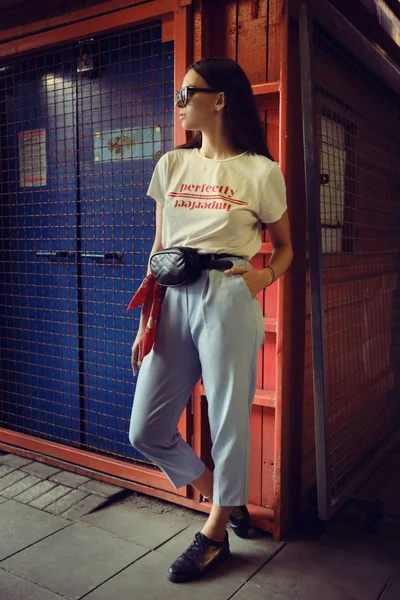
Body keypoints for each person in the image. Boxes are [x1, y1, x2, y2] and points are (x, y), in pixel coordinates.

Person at [129, 57, 293, 584]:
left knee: (226, 418)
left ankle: (215, 533)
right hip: (172, 296)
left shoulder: (261, 171)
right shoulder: (171, 166)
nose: (180, 103)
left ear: (219, 99)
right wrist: (144, 321)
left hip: (227, 296)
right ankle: (226, 495)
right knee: (147, 429)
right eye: (180, 95)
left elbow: (287, 249)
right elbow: (158, 247)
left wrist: (260, 282)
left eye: (187, 94)